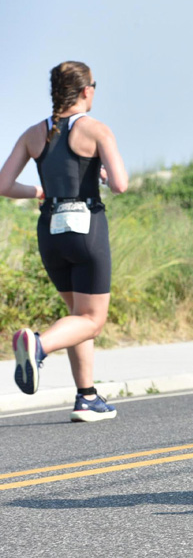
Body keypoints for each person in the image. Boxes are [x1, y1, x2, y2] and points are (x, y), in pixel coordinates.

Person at [0, 60, 129, 422]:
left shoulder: (32, 134)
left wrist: (38, 189)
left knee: (79, 315)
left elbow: (3, 184)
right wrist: (101, 172)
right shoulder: (97, 130)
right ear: (87, 90)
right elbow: (120, 184)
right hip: (86, 229)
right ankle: (39, 345)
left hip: (50, 232)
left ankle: (86, 397)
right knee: (93, 320)